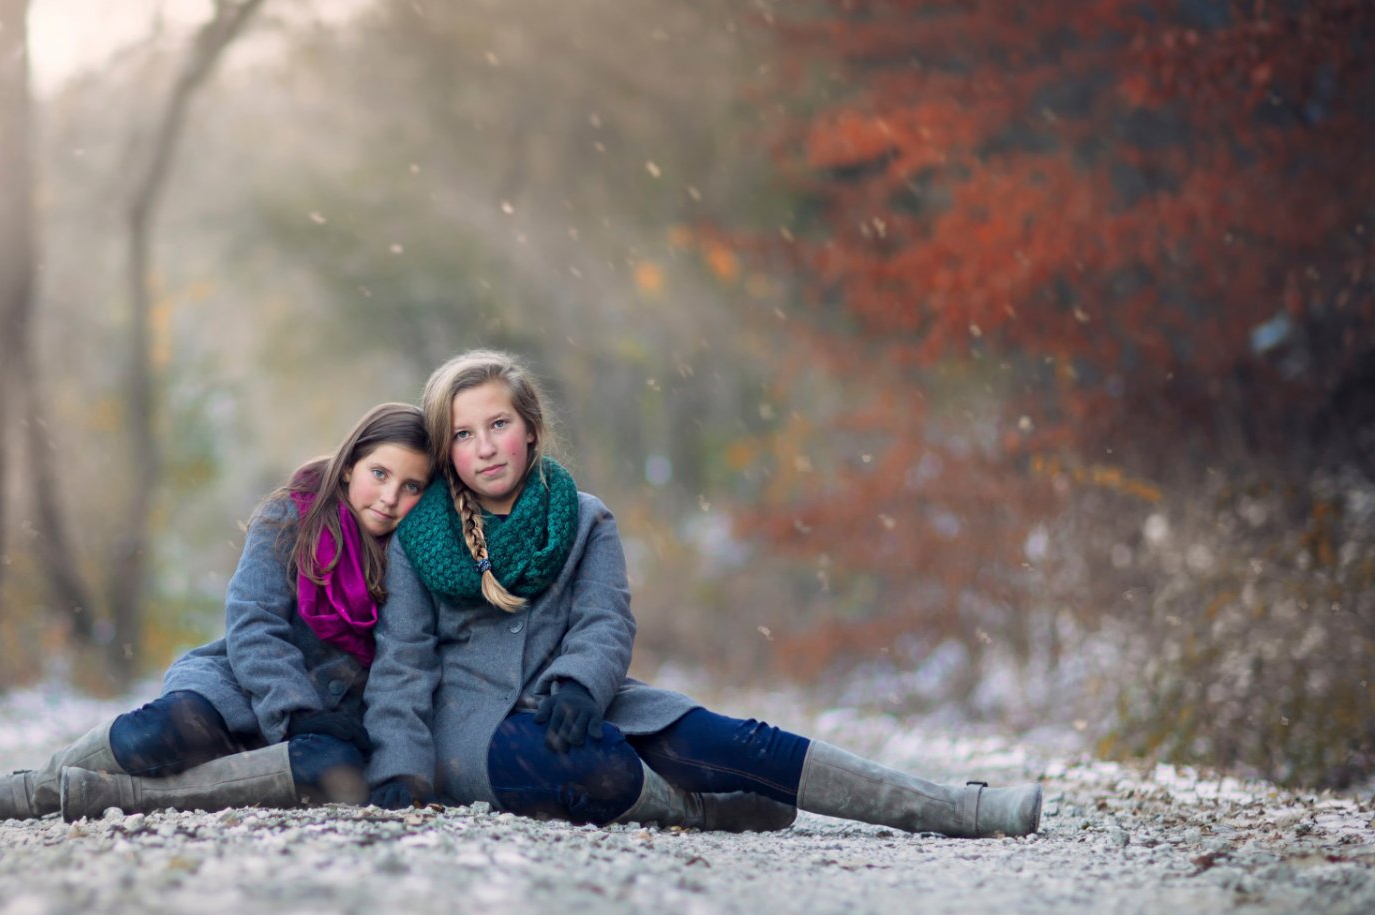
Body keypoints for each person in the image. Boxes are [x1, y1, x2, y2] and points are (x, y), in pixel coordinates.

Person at [359, 349, 1043, 838]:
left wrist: (576, 683)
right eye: (465, 435)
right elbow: (403, 662)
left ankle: (961, 808)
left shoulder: (586, 518)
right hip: (477, 730)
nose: (485, 448)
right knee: (599, 774)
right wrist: (400, 768)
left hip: (584, 703)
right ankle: (709, 811)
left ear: (530, 429)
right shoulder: (426, 535)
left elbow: (604, 624)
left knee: (747, 742)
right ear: (447, 450)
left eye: (499, 425)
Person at [0, 402, 432, 825]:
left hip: (328, 729)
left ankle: (122, 797)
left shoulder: (410, 557)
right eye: (380, 474)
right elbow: (253, 623)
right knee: (163, 729)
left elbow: (402, 667)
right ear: (350, 465)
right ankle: (34, 788)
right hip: (242, 688)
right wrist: (295, 712)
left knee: (334, 769)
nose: (390, 498)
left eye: (411, 487)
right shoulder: (290, 518)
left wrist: (399, 770)